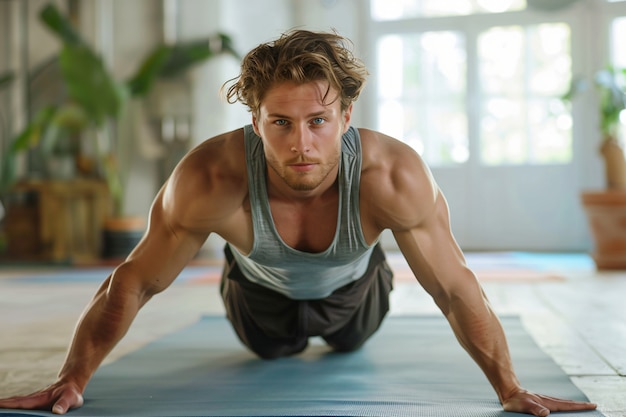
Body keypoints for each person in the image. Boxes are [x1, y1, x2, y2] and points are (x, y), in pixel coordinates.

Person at [0, 29, 596, 417]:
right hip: (256, 296)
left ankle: (358, 286)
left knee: (348, 342)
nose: (301, 143)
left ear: (345, 114)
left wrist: (508, 387)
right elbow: (133, 281)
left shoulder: (393, 176)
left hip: (356, 294)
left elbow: (453, 285)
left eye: (317, 120)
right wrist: (72, 376)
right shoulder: (209, 178)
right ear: (255, 121)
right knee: (274, 350)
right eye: (280, 123)